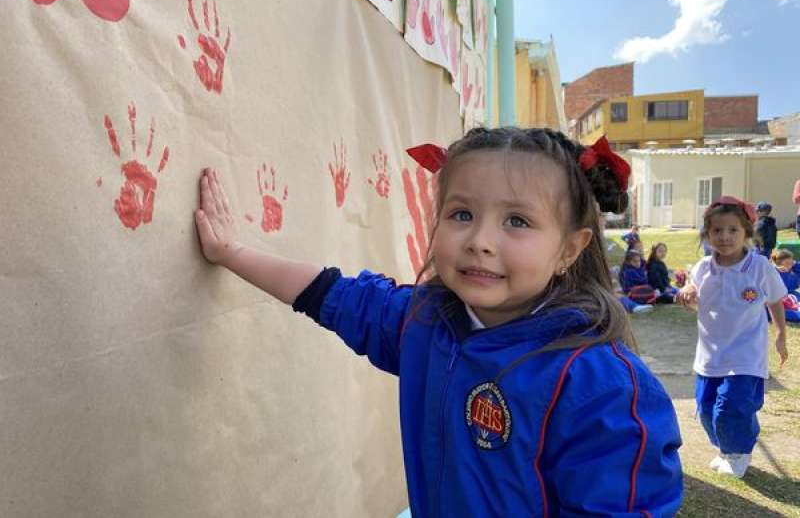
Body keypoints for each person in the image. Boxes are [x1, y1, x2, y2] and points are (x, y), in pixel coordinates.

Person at [195, 128, 683, 515]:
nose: (480, 240)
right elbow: (332, 294)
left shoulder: (600, 384)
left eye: (517, 221)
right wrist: (230, 253)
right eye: (462, 213)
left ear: (569, 249)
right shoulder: (425, 322)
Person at [677, 196, 789, 479]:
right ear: (707, 234)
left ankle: (739, 451)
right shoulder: (702, 268)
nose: (724, 237)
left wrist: (780, 335)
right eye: (717, 231)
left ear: (747, 232)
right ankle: (727, 448)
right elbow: (698, 304)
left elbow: (775, 301)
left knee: (731, 406)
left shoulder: (760, 267)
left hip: (745, 356)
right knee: (705, 409)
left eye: (732, 230)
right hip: (709, 356)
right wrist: (687, 294)